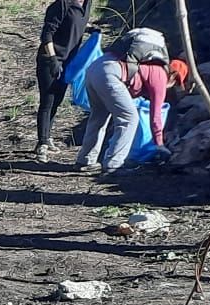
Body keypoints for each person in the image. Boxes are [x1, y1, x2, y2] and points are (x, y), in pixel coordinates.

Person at [35, 0, 91, 163]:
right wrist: (52, 59)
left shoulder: (86, 4)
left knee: (57, 101)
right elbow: (46, 35)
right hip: (50, 60)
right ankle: (42, 143)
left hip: (68, 61)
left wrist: (90, 30)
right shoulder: (61, 5)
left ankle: (47, 136)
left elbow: (73, 26)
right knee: (48, 100)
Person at [77, 43, 142, 175]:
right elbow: (156, 112)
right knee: (129, 117)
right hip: (109, 74)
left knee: (98, 116)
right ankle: (115, 163)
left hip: (95, 67)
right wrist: (159, 143)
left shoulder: (130, 51)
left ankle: (85, 160)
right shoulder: (160, 74)